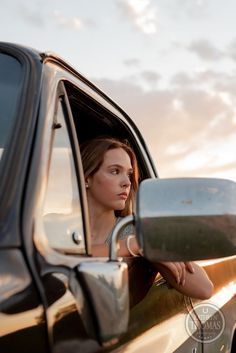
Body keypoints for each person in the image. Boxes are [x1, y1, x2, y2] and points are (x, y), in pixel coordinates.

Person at [80, 136, 214, 300]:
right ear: (87, 178)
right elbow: (53, 258)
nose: (126, 182)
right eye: (115, 171)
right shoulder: (52, 225)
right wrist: (134, 245)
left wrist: (152, 246)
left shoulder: (137, 230)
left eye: (129, 174)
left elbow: (204, 289)